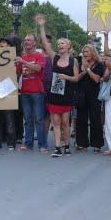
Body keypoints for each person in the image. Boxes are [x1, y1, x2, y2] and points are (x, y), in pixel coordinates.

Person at [37, 14, 79, 157]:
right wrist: (42, 26)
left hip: (67, 95)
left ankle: (66, 146)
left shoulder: (74, 61)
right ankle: (57, 147)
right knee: (55, 121)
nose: (60, 46)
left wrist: (67, 77)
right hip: (54, 93)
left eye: (63, 44)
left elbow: (76, 78)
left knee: (65, 122)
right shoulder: (54, 57)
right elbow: (44, 42)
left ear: (68, 47)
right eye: (59, 44)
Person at [15, 33, 48, 152]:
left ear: (34, 43)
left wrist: (23, 61)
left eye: (29, 40)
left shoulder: (39, 56)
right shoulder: (22, 56)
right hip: (25, 92)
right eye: (25, 40)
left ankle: (42, 144)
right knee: (28, 120)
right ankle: (28, 144)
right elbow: (18, 73)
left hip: (37, 92)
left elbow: (38, 68)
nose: (26, 42)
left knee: (39, 119)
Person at [76, 44, 105, 153]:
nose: (85, 54)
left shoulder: (99, 65)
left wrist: (87, 69)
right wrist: (83, 70)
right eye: (83, 52)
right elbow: (77, 78)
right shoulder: (80, 64)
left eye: (87, 52)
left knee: (95, 119)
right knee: (81, 119)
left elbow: (97, 79)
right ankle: (82, 143)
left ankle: (97, 144)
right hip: (82, 94)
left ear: (93, 53)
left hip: (94, 95)